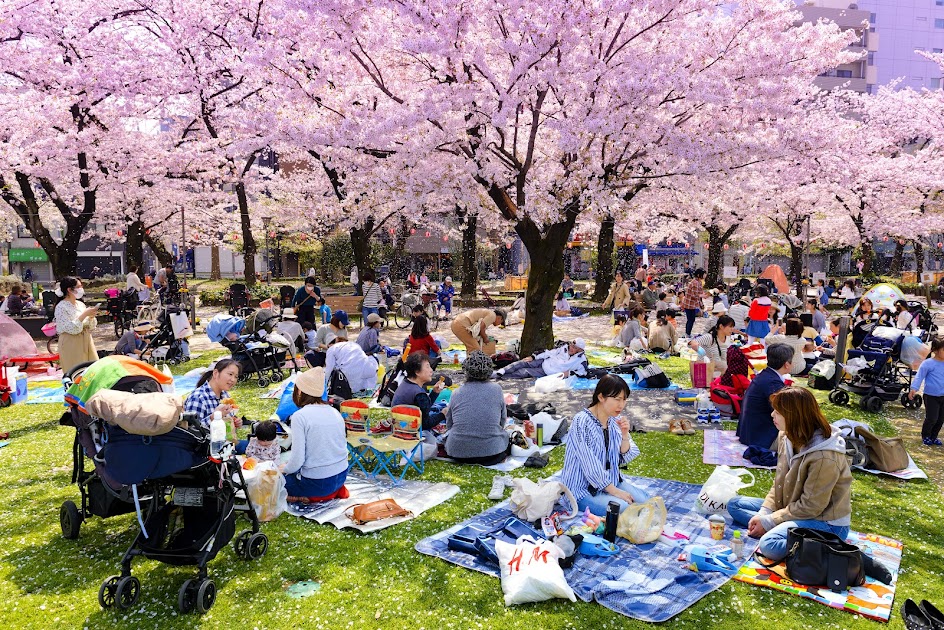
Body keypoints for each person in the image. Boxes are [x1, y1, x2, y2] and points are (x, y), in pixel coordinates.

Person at [728, 387, 852, 561]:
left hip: (825, 522)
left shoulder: (825, 456)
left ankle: (828, 548)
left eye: (778, 412)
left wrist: (770, 521)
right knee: (734, 505)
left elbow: (811, 506)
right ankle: (783, 529)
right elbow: (778, 482)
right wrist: (764, 514)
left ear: (795, 417)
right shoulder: (786, 436)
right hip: (792, 508)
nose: (772, 415)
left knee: (769, 545)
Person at [560, 374, 649, 516]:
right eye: (617, 399)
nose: (621, 405)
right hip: (583, 489)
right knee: (625, 509)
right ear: (601, 397)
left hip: (612, 481)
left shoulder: (615, 420)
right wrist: (616, 492)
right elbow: (590, 465)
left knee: (646, 503)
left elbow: (625, 457)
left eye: (624, 400)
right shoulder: (581, 421)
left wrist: (625, 435)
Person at [281, 367, 349, 501]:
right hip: (341, 476)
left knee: (275, 479)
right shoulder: (334, 411)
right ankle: (329, 493)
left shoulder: (300, 416)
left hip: (318, 482)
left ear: (299, 391)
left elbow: (297, 461)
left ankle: (308, 496)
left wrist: (283, 469)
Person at [444, 351, 510, 465]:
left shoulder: (456, 392)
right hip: (493, 453)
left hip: (457, 452)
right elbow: (502, 421)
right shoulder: (496, 389)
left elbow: (449, 424)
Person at [736, 343, 792, 449]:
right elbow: (786, 413)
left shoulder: (766, 376)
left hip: (750, 433)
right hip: (761, 438)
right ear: (787, 364)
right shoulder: (773, 383)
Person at [387, 352, 448, 431]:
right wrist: (443, 414)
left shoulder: (405, 383)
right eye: (427, 367)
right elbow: (426, 424)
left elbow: (424, 408)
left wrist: (434, 392)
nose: (431, 370)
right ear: (417, 372)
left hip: (399, 427)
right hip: (410, 431)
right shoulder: (419, 394)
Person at [54, 276, 99, 373]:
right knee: (76, 372)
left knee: (92, 370)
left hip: (86, 339)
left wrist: (91, 316)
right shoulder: (61, 307)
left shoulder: (80, 304)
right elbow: (71, 328)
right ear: (69, 290)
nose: (81, 289)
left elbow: (90, 325)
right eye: (78, 287)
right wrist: (84, 314)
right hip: (71, 341)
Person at [495, 338, 588, 379]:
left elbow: (583, 373)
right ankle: (502, 371)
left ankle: (502, 377)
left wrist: (569, 373)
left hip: (549, 371)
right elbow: (548, 352)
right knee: (524, 362)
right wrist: (533, 356)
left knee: (524, 372)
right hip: (545, 361)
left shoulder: (581, 361)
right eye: (572, 345)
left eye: (575, 348)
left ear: (580, 350)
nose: (571, 348)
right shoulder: (564, 347)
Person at [910, 337, 944, 446]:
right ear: (935, 350)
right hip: (931, 396)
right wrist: (914, 389)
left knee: (940, 419)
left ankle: (934, 437)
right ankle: (926, 436)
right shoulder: (928, 364)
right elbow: (919, 377)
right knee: (932, 418)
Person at [680, 268, 706, 337]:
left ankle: (688, 333)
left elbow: (700, 293)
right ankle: (687, 334)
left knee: (692, 319)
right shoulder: (695, 283)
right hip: (689, 304)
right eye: (703, 274)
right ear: (698, 275)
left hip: (693, 304)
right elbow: (695, 295)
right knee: (690, 320)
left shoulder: (699, 282)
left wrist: (701, 303)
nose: (705, 275)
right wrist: (703, 296)